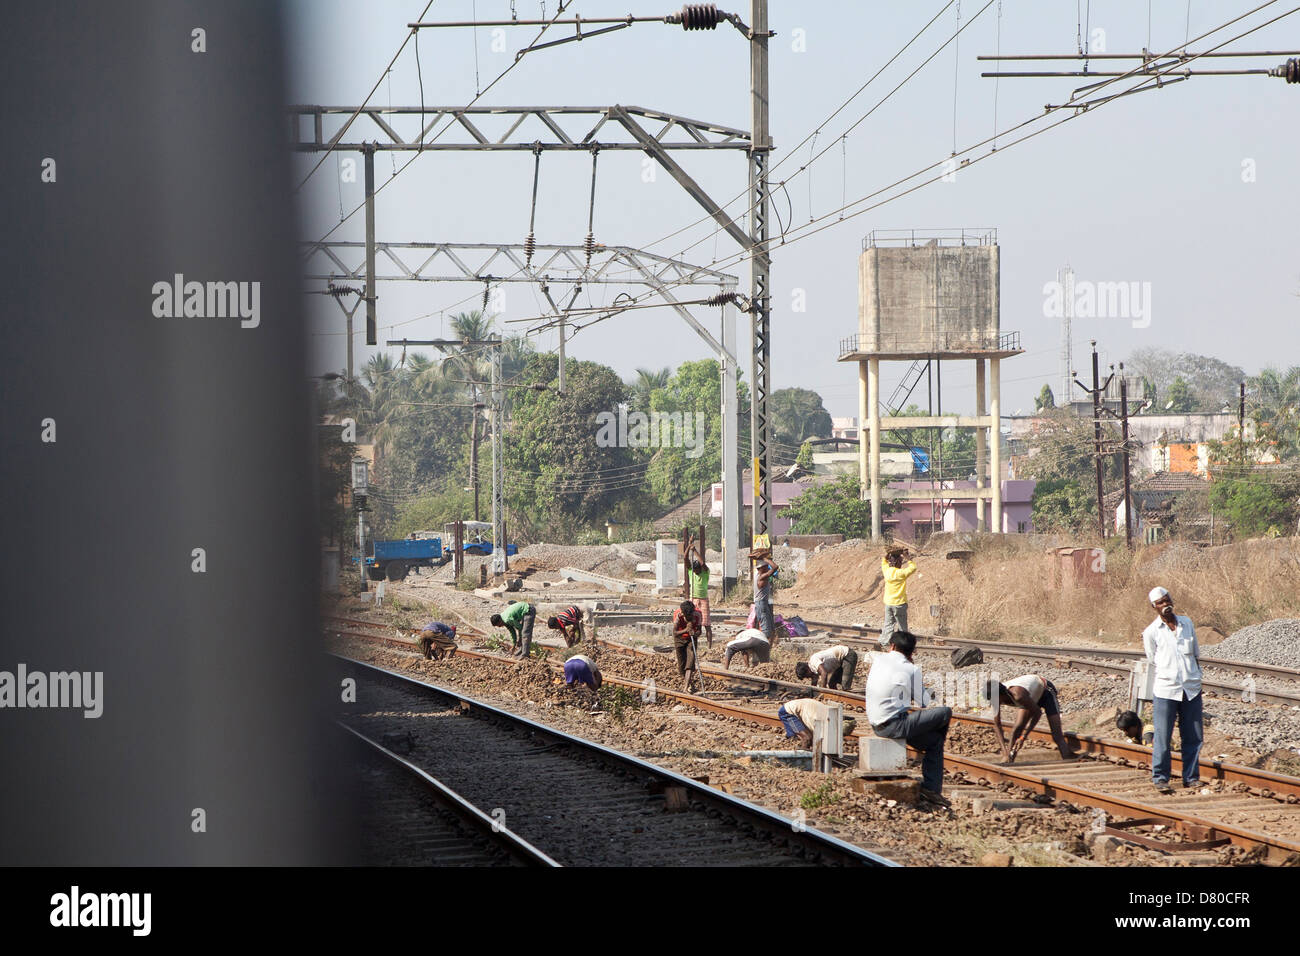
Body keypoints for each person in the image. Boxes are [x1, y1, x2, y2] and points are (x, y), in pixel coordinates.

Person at [865, 630, 952, 808]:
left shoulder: (878, 659)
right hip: (894, 725)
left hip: (876, 724)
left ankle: (932, 790)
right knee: (945, 712)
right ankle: (932, 790)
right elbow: (924, 702)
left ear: (892, 646)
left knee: (934, 742)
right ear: (912, 652)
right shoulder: (911, 669)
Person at [1143, 586, 1205, 794]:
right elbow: (1153, 660)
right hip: (1166, 690)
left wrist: (1196, 678)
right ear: (1154, 607)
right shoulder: (1151, 632)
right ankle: (1161, 777)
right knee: (1162, 736)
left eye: (1167, 600)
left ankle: (1191, 777)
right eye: (1160, 602)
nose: (1165, 604)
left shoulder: (1187, 624)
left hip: (1191, 689)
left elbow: (1195, 653)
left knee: (1194, 736)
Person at [986, 674, 1078, 763]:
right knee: (1016, 730)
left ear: (1001, 695)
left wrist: (1023, 737)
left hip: (1046, 691)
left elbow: (1037, 713)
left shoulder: (1018, 695)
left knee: (1057, 735)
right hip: (1030, 697)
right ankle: (1009, 759)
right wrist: (1004, 752)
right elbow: (997, 725)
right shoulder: (996, 697)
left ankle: (1068, 758)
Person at [880, 547, 917, 648]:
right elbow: (913, 568)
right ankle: (903, 646)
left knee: (888, 625)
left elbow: (883, 562)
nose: (901, 563)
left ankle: (884, 643)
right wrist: (908, 558)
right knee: (902, 626)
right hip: (899, 604)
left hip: (888, 603)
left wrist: (888, 555)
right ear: (897, 563)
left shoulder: (886, 571)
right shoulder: (901, 573)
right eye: (901, 561)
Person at [671, 599, 703, 692]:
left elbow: (700, 630)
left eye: (690, 615)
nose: (689, 617)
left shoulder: (698, 614)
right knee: (681, 665)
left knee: (690, 663)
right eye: (687, 615)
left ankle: (685, 688)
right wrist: (686, 629)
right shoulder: (678, 614)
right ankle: (690, 684)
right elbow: (675, 632)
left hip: (691, 639)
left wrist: (695, 633)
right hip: (679, 638)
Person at [687, 543, 714, 648]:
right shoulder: (691, 573)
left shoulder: (705, 573)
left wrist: (694, 551)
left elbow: (703, 563)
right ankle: (694, 645)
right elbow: (685, 559)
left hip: (703, 600)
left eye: (697, 570)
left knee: (706, 624)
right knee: (695, 624)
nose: (696, 572)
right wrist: (689, 548)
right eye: (695, 570)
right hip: (693, 598)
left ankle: (709, 647)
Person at [752, 549, 779, 645]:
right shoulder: (762, 577)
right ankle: (762, 652)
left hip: (764, 603)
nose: (768, 568)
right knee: (766, 632)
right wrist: (765, 558)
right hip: (761, 604)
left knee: (771, 631)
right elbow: (775, 567)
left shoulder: (757, 574)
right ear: (761, 568)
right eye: (766, 567)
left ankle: (767, 652)